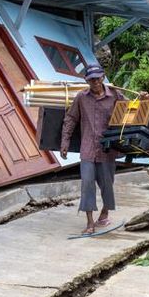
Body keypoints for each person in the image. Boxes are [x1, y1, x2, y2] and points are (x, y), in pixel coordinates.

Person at [59, 65, 121, 235]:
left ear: (103, 77)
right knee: (87, 183)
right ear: (86, 80)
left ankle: (105, 212)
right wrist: (65, 142)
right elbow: (71, 119)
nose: (95, 82)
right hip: (87, 149)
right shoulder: (81, 97)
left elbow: (132, 110)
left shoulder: (115, 95)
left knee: (107, 184)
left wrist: (145, 98)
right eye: (91, 79)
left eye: (98, 78)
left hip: (107, 149)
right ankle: (89, 222)